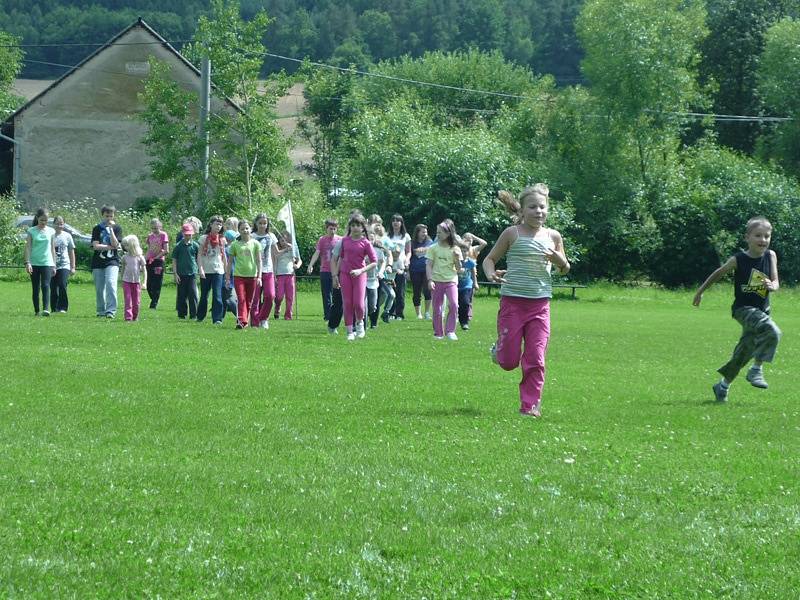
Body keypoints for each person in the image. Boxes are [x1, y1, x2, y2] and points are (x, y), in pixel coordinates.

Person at [483, 185, 570, 418]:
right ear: (522, 210)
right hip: (513, 304)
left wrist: (559, 258)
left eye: (542, 207)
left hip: (540, 306)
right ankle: (499, 350)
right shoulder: (512, 234)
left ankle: (530, 406)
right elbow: (489, 259)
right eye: (532, 207)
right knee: (509, 362)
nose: (538, 211)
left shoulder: (553, 236)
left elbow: (564, 269)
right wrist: (490, 273)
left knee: (536, 357)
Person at [693, 216, 781, 402]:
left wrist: (772, 286)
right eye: (758, 235)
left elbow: (775, 282)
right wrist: (700, 291)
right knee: (772, 330)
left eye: (767, 236)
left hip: (762, 311)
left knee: (744, 352)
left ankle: (722, 386)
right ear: (747, 237)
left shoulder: (770, 255)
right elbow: (718, 273)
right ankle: (756, 369)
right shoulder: (739, 259)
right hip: (743, 309)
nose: (763, 240)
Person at [332, 213, 377, 341]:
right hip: (345, 275)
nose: (355, 228)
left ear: (363, 228)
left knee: (358, 304)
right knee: (347, 303)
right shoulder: (344, 241)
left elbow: (374, 262)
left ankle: (360, 324)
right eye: (353, 225)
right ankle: (349, 331)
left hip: (360, 276)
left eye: (358, 225)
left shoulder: (366, 243)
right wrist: (335, 275)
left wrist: (361, 270)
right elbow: (338, 258)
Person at [426, 221, 464, 341]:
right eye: (437, 232)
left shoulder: (455, 249)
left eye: (440, 232)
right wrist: (430, 280)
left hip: (451, 280)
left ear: (448, 233)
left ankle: (450, 331)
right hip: (436, 281)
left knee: (454, 304)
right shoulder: (433, 248)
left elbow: (459, 269)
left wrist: (457, 259)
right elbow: (429, 265)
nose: (438, 234)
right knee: (437, 308)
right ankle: (438, 333)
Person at [226, 219, 262, 329]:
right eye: (242, 229)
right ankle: (242, 321)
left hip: (252, 276)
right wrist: (227, 277)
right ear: (239, 231)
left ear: (250, 229)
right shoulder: (235, 245)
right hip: (239, 276)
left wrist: (259, 276)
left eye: (247, 228)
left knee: (249, 301)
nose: (245, 231)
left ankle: (244, 321)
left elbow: (259, 261)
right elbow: (230, 262)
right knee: (241, 299)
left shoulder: (256, 244)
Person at [90, 205, 122, 318]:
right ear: (102, 215)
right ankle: (101, 311)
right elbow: (95, 246)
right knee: (99, 288)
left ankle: (111, 311)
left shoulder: (117, 228)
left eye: (111, 215)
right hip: (98, 262)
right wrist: (110, 247)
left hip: (112, 261)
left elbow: (116, 244)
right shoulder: (97, 229)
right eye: (106, 215)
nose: (109, 218)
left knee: (111, 283)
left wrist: (111, 230)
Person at [24, 207, 56, 316]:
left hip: (47, 262)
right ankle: (37, 310)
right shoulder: (31, 231)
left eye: (46, 220)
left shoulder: (51, 231)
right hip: (34, 263)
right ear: (37, 218)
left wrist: (54, 265)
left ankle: (46, 309)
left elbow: (52, 249)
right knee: (36, 287)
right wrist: (27, 262)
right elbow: (28, 247)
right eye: (42, 220)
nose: (44, 222)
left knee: (46, 285)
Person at [307, 219, 340, 321]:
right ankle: (328, 316)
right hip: (325, 270)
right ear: (326, 229)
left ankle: (337, 314)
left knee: (337, 293)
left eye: (334, 229)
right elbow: (317, 253)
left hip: (337, 271)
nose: (332, 231)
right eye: (331, 229)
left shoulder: (340, 240)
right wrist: (311, 265)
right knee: (326, 294)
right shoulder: (322, 240)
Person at [197, 215, 228, 325]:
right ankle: (200, 316)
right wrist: (200, 269)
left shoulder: (222, 239)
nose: (218, 226)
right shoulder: (203, 238)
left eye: (220, 224)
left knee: (217, 295)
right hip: (206, 270)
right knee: (204, 295)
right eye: (216, 224)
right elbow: (199, 255)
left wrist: (226, 272)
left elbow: (224, 256)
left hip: (218, 270)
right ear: (211, 225)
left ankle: (217, 318)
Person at [252, 213, 278, 329]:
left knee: (270, 295)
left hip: (268, 270)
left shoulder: (271, 236)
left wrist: (288, 248)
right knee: (255, 298)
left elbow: (276, 252)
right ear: (256, 224)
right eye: (260, 223)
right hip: (254, 271)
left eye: (265, 223)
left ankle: (263, 318)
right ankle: (254, 322)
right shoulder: (251, 236)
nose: (262, 225)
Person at [457, 232, 486, 330]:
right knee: (455, 304)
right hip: (455, 285)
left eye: (465, 251)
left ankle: (464, 322)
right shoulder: (455, 261)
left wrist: (475, 283)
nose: (464, 253)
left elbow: (473, 272)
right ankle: (455, 318)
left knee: (465, 303)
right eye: (462, 251)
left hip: (467, 285)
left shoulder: (470, 261)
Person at [171, 223, 200, 320]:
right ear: (183, 234)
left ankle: (194, 314)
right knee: (181, 295)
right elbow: (174, 260)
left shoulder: (195, 245)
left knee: (193, 294)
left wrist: (200, 269)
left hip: (192, 273)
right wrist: (175, 274)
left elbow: (198, 258)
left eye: (190, 234)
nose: (188, 236)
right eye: (186, 234)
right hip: (181, 274)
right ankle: (182, 314)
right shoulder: (178, 246)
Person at [385, 214, 411, 319]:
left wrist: (407, 260)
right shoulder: (387, 236)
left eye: (398, 221)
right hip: (390, 266)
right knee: (390, 290)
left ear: (401, 223)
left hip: (400, 265)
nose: (395, 222)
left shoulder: (406, 236)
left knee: (400, 291)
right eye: (394, 220)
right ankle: (390, 312)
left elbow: (409, 251)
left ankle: (399, 313)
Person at [274, 231, 302, 320]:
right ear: (279, 241)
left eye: (286, 240)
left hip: (290, 275)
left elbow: (299, 260)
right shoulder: (277, 249)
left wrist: (297, 265)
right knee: (279, 296)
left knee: (290, 296)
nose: (284, 242)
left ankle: (288, 315)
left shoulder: (293, 249)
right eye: (282, 241)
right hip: (280, 275)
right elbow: (276, 256)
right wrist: (285, 249)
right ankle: (277, 308)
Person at [50, 215, 76, 313]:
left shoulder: (67, 236)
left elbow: (71, 251)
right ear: (53, 224)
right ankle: (54, 308)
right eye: (57, 224)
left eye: (61, 224)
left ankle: (63, 307)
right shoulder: (50, 235)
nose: (59, 226)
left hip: (64, 265)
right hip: (51, 265)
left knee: (62, 285)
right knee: (53, 287)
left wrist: (72, 267)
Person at [120, 234, 147, 322]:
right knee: (128, 300)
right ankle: (128, 317)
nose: (125, 247)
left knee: (136, 302)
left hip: (136, 282)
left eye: (127, 245)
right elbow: (123, 269)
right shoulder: (124, 257)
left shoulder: (140, 257)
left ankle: (135, 316)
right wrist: (121, 279)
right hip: (126, 281)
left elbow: (144, 271)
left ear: (132, 245)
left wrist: (144, 282)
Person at [409, 224, 433, 320]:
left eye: (426, 232)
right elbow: (410, 255)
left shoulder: (430, 242)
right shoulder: (412, 243)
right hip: (415, 270)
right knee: (416, 292)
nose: (425, 233)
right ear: (417, 232)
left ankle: (427, 312)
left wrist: (424, 250)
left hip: (427, 270)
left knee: (428, 291)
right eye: (423, 231)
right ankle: (418, 314)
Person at [145, 218, 169, 309]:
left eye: (156, 228)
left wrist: (157, 257)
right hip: (150, 260)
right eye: (153, 228)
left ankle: (154, 303)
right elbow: (149, 249)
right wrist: (144, 259)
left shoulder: (163, 235)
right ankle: (154, 299)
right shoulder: (150, 236)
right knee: (149, 284)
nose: (154, 230)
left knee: (156, 282)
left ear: (160, 226)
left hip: (159, 261)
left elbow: (166, 250)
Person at [365, 229, 387, 329]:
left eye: (372, 239)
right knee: (362, 303)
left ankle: (371, 319)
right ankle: (361, 321)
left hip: (374, 280)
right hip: (362, 280)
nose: (370, 241)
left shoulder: (378, 250)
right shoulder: (361, 249)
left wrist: (381, 272)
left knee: (373, 305)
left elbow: (383, 262)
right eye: (368, 239)